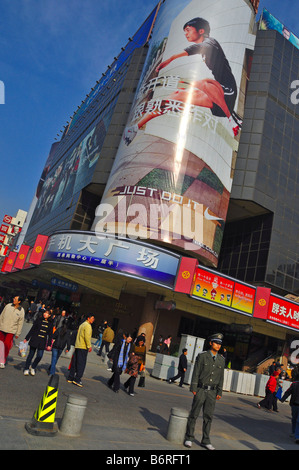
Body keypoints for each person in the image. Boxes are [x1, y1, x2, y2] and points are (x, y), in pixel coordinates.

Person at [123, 17, 241, 147]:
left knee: (204, 83)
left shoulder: (210, 42)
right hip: (216, 96)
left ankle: (231, 120)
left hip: (228, 91)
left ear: (201, 31)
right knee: (176, 96)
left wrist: (171, 58)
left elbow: (199, 47)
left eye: (188, 30)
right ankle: (135, 128)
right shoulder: (206, 47)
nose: (186, 34)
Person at [184, 333, 225, 450]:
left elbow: (221, 377)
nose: (218, 345)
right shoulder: (202, 356)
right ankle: (189, 437)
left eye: (220, 344)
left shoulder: (221, 360)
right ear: (211, 343)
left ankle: (205, 440)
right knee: (194, 414)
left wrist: (219, 392)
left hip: (212, 392)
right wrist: (194, 387)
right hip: (201, 389)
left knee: (208, 417)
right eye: (216, 343)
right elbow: (196, 372)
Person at [67, 313, 95, 387]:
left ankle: (70, 377)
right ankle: (77, 379)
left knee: (75, 362)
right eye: (92, 318)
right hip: (83, 346)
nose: (93, 320)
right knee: (81, 363)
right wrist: (89, 346)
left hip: (78, 345)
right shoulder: (88, 326)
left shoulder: (82, 324)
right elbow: (87, 337)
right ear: (88, 318)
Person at [23, 309, 53, 376]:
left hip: (42, 341)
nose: (45, 314)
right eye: (45, 312)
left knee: (39, 356)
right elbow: (32, 329)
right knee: (31, 355)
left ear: (49, 315)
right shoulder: (38, 319)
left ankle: (33, 367)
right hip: (35, 339)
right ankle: (26, 368)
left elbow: (50, 335)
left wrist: (49, 344)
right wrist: (27, 338)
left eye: (47, 313)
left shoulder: (51, 323)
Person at [0, 295, 25, 368]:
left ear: (19, 301)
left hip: (11, 330)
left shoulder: (21, 310)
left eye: (15, 299)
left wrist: (18, 333)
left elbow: (20, 323)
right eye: (14, 298)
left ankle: (2, 361)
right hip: (2, 328)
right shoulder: (8, 306)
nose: (13, 299)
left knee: (7, 345)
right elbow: (1, 316)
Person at [280, 369, 299, 443]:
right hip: (295, 404)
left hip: (294, 404)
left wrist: (283, 399)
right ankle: (297, 436)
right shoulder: (294, 384)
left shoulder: (294, 384)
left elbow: (288, 392)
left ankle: (294, 432)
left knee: (294, 419)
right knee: (298, 421)